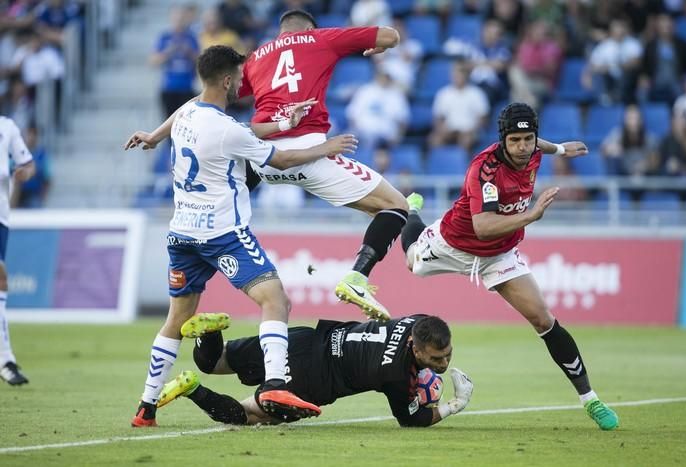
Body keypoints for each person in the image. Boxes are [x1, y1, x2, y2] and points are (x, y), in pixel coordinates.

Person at [126, 45, 359, 428]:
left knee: (176, 318)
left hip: (182, 232)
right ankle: (274, 384)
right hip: (223, 235)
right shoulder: (226, 129)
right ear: (228, 80)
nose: (242, 86)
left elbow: (195, 123)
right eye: (239, 78)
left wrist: (154, 137)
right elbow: (279, 159)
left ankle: (146, 406)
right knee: (276, 301)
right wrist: (325, 148)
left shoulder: (190, 111)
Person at [130, 10, 409, 322]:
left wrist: (156, 135)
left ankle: (201, 264)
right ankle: (357, 279)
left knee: (228, 201)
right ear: (310, 27)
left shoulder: (257, 57)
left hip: (263, 157)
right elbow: (391, 35)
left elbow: (203, 100)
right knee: (396, 206)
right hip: (309, 153)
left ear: (280, 32)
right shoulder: (322, 38)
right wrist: (376, 47)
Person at [399, 103, 619, 431]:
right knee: (410, 260)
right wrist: (531, 215)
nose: (522, 147)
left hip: (499, 255)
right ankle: (411, 210)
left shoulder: (533, 150)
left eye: (528, 139)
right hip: (453, 244)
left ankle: (590, 398)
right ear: (503, 139)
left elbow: (539, 145)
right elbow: (484, 226)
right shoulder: (484, 170)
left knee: (543, 319)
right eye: (514, 140)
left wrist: (559, 149)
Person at [157, 313, 473, 427]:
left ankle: (210, 333)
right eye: (435, 359)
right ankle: (192, 388)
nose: (443, 364)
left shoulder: (418, 322)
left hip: (305, 338)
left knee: (216, 360)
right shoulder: (394, 374)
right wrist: (452, 406)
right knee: (248, 415)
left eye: (447, 356)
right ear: (416, 349)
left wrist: (420, 371)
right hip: (312, 379)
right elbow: (411, 419)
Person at [0, 115, 35, 386]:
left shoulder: (7, 126)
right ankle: (5, 359)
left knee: (1, 280)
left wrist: (24, 172)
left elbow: (27, 164)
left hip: (1, 217)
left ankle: (5, 359)